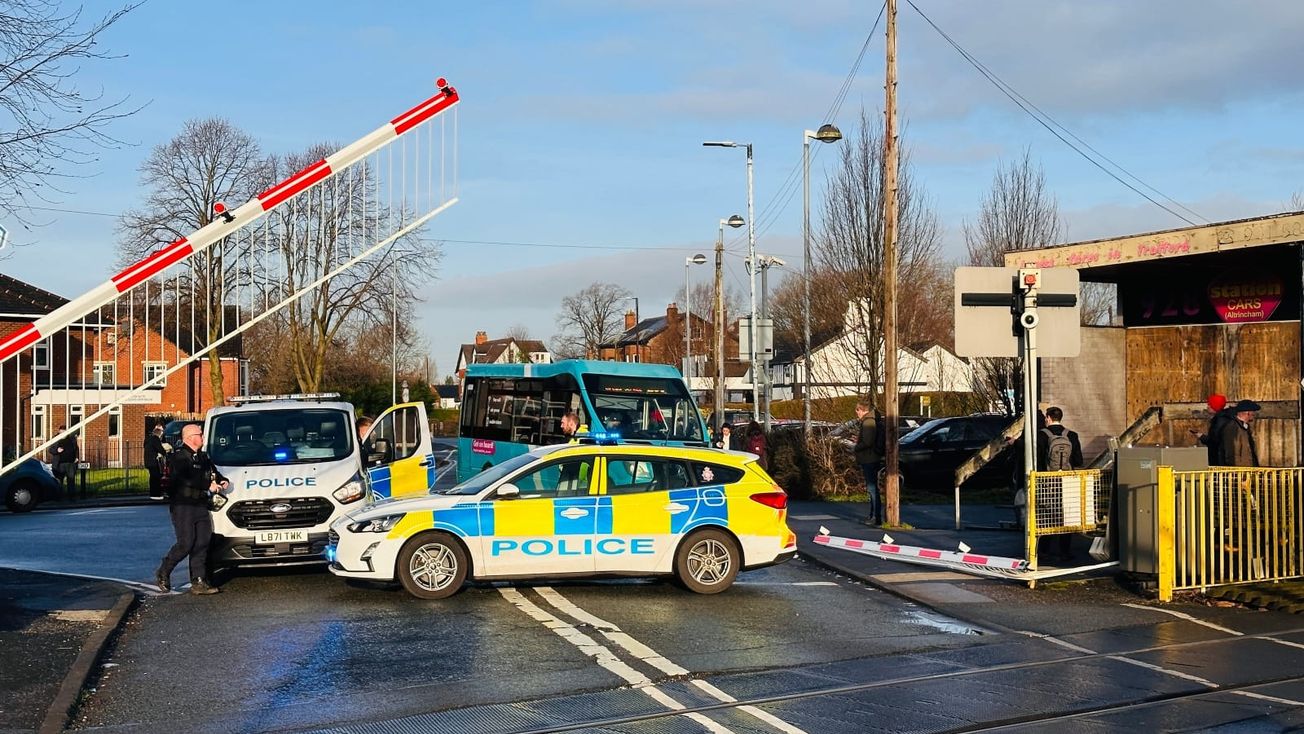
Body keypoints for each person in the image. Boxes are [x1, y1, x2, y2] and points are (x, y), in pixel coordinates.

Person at [156, 424, 228, 595]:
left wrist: (222, 480)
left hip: (200, 505)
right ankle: (164, 571)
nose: (203, 437)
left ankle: (199, 581)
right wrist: (207, 485)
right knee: (186, 543)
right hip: (183, 506)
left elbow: (213, 472)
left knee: (202, 542)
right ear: (189, 438)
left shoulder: (202, 458)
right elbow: (185, 478)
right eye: (200, 434)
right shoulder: (179, 457)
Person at [1035, 406, 1084, 562]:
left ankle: (1044, 549)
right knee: (1066, 514)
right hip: (1067, 481)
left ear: (1048, 418)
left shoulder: (1041, 436)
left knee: (1046, 514)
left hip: (1047, 481)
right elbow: (1078, 461)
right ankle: (1065, 550)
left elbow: (1037, 460)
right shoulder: (1072, 435)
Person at [852, 401, 882, 525]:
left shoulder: (868, 422)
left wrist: (856, 447)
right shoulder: (870, 420)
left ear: (862, 410)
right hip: (871, 458)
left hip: (869, 458)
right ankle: (874, 516)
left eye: (857, 410)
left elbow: (868, 442)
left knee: (872, 488)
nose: (856, 413)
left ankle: (875, 516)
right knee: (872, 488)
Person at [1217, 400, 1260, 467]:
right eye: (1253, 412)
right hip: (1239, 471)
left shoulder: (1244, 427)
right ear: (1248, 413)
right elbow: (1231, 452)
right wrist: (1236, 471)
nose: (1254, 414)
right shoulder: (1233, 427)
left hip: (1245, 469)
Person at [1199, 394, 1235, 465]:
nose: (1207, 407)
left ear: (1214, 407)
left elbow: (1214, 441)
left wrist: (1202, 437)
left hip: (1219, 459)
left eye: (1209, 404)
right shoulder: (1226, 418)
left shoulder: (1219, 421)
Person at [50, 425, 79, 500]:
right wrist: (57, 450)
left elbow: (76, 449)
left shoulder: (72, 438)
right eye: (62, 432)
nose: (63, 433)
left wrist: (76, 457)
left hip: (70, 463)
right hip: (59, 464)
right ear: (59, 431)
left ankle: (71, 497)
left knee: (71, 480)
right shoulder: (55, 439)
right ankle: (58, 497)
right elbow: (50, 449)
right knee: (59, 480)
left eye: (65, 432)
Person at [145, 424, 168, 501]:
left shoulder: (148, 439)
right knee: (156, 478)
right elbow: (160, 449)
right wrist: (165, 452)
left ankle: (153, 493)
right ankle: (156, 494)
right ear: (160, 433)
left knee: (152, 478)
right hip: (153, 461)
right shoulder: (156, 439)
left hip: (148, 461)